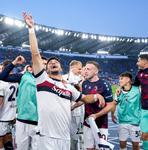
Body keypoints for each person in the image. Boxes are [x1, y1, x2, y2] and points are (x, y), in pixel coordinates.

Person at [23, 12, 105, 150]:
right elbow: (35, 54)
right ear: (47, 69)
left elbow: (84, 97)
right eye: (50, 63)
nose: (53, 62)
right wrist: (31, 29)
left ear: (61, 69)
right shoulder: (42, 80)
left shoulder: (68, 88)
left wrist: (96, 96)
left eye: (56, 62)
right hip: (46, 137)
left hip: (65, 137)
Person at [0, 56, 47, 150]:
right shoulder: (24, 76)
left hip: (40, 123)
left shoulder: (49, 80)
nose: (42, 65)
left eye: (44, 64)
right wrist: (14, 62)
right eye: (39, 63)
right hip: (22, 121)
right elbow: (2, 76)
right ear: (33, 66)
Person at [71, 61, 114, 150]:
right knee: (89, 148)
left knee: (100, 148)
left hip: (101, 123)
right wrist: (72, 107)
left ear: (96, 71)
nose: (85, 71)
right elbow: (84, 99)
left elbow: (110, 105)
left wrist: (96, 115)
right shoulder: (84, 83)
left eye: (89, 69)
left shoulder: (104, 85)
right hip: (87, 123)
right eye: (85, 69)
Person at [116, 54, 148, 150]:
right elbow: (134, 85)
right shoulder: (139, 74)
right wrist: (121, 86)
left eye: (138, 61)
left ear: (144, 62)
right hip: (144, 110)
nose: (137, 63)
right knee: (145, 137)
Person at [0, 59, 18, 150]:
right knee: (8, 141)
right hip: (11, 117)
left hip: (2, 118)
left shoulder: (1, 83)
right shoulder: (17, 82)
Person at [111, 72, 141, 150]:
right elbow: (114, 103)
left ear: (128, 80)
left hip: (135, 122)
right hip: (122, 122)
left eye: (121, 79)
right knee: (122, 144)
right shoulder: (118, 92)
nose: (119, 81)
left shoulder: (138, 90)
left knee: (135, 145)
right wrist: (112, 114)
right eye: (119, 79)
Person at [62, 60, 84, 150]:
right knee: (64, 135)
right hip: (64, 111)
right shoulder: (62, 78)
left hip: (77, 112)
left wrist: (75, 85)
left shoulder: (81, 79)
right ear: (72, 68)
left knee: (77, 138)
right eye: (79, 69)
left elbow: (82, 93)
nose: (80, 71)